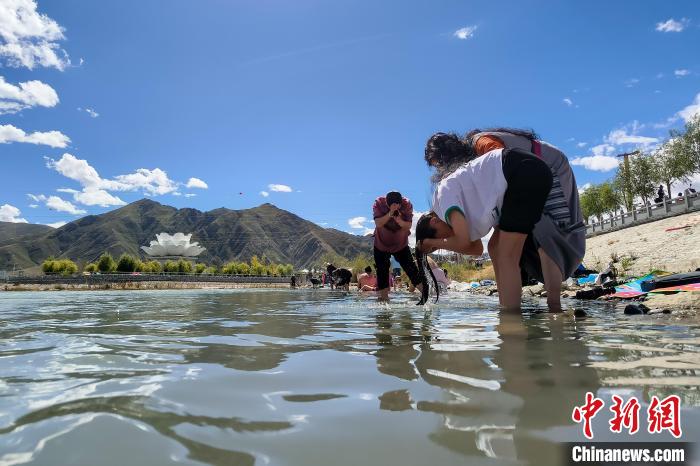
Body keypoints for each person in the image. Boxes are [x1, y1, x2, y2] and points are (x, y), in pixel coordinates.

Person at [421, 129, 585, 311]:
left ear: (449, 152)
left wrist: (431, 243)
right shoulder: (464, 174)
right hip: (521, 176)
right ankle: (510, 307)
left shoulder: (481, 143)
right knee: (495, 247)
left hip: (544, 167)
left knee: (543, 236)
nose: (442, 169)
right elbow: (476, 246)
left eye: (441, 163)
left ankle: (547, 308)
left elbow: (503, 164)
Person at [372, 191, 423, 301]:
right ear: (386, 203)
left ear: (400, 203)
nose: (396, 207)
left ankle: (428, 296)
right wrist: (390, 213)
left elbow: (408, 226)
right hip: (381, 244)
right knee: (382, 272)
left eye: (397, 205)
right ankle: (384, 302)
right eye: (391, 205)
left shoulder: (407, 204)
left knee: (412, 270)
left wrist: (399, 220)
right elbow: (378, 223)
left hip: (401, 245)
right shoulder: (379, 203)